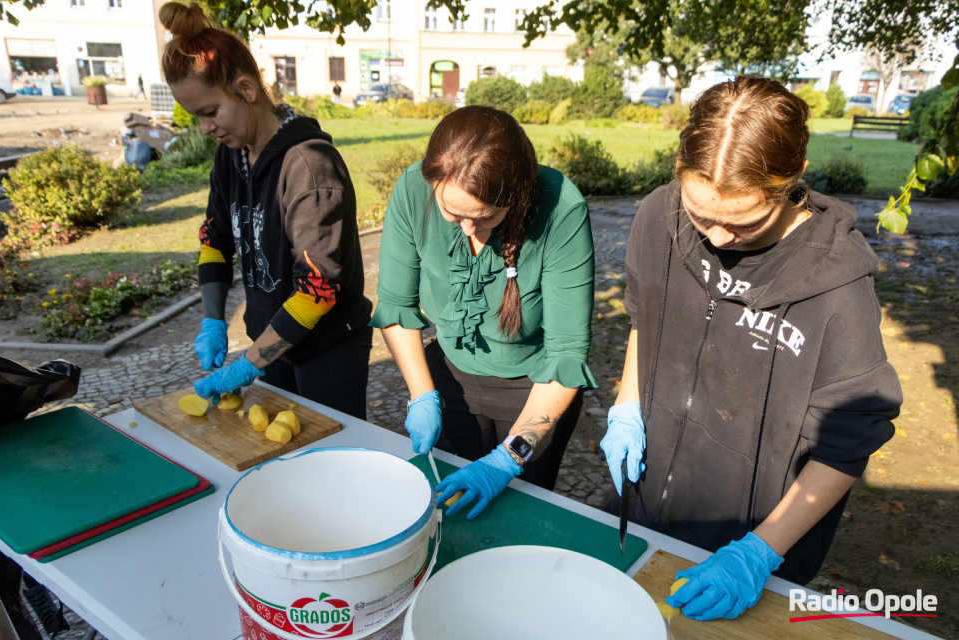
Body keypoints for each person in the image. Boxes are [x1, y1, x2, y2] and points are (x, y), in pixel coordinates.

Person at [602, 76, 902, 621]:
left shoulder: (838, 288)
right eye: (700, 215)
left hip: (755, 540)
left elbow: (848, 443)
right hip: (649, 503)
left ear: (791, 186)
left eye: (744, 221)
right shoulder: (658, 218)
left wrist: (761, 550)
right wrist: (626, 405)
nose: (715, 239)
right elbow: (646, 319)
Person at [372, 105, 596, 519]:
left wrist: (508, 459)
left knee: (517, 520)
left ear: (518, 196)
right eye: (453, 214)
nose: (468, 230)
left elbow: (566, 355)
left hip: (534, 391)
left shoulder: (562, 209)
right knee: (451, 512)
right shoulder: (411, 191)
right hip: (450, 379)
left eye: (485, 216)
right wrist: (422, 393)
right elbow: (396, 306)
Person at [159, 2, 373, 417]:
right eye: (195, 118)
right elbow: (215, 238)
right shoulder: (231, 157)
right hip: (271, 342)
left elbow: (318, 289)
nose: (206, 129)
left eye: (210, 112)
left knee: (329, 462)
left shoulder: (309, 166)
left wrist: (247, 365)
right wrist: (212, 319)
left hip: (327, 348)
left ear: (246, 89)